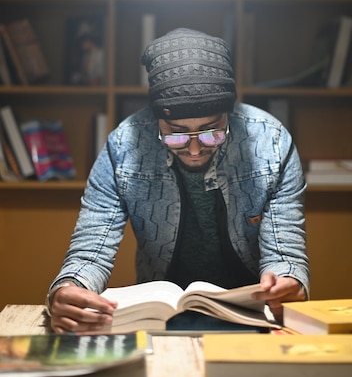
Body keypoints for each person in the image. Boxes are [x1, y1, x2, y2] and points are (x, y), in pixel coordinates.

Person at [47, 28, 309, 334]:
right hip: (159, 317)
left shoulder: (272, 144)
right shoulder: (123, 148)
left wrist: (287, 284)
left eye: (212, 130)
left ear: (230, 113)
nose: (195, 149)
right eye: (176, 133)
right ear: (155, 119)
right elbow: (92, 249)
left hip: (249, 315)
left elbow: (284, 253)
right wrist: (66, 289)